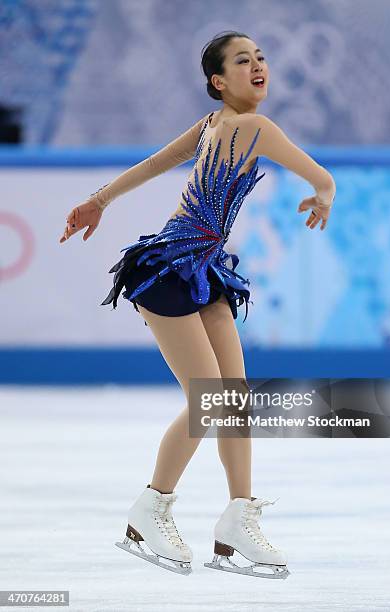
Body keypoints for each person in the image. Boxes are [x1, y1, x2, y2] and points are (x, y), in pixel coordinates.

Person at [59, 31, 336, 578]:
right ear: (218, 81)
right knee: (212, 399)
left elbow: (152, 164)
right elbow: (320, 176)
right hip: (170, 269)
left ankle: (237, 519)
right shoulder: (252, 127)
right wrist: (322, 195)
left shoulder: (217, 126)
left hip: (202, 268)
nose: (257, 66)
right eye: (242, 61)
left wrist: (98, 199)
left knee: (232, 398)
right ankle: (150, 508)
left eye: (261, 58)